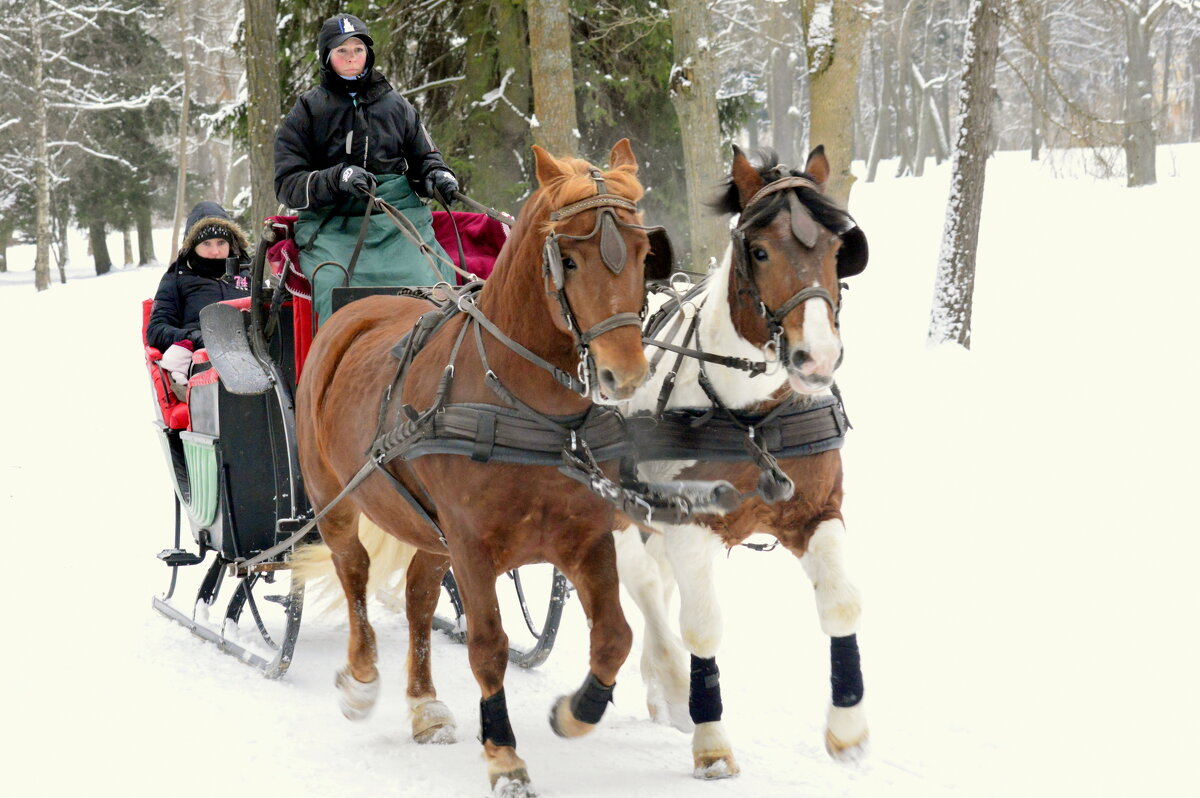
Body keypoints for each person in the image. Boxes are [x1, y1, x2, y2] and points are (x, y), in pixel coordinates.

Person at [274, 13, 460, 326]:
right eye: (341, 51)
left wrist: (435, 176)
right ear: (327, 57)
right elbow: (287, 183)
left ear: (368, 54)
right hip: (332, 225)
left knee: (433, 274)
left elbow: (425, 158)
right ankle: (340, 365)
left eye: (358, 50)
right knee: (333, 280)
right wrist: (337, 178)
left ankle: (434, 359)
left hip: (396, 219)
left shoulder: (396, 105)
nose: (351, 58)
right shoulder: (306, 110)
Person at [147, 201, 251, 397]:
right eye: (206, 244)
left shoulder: (247, 274)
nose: (215, 251)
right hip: (204, 360)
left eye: (221, 243)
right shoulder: (176, 279)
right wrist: (195, 337)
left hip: (253, 353)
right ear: (193, 246)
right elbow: (156, 330)